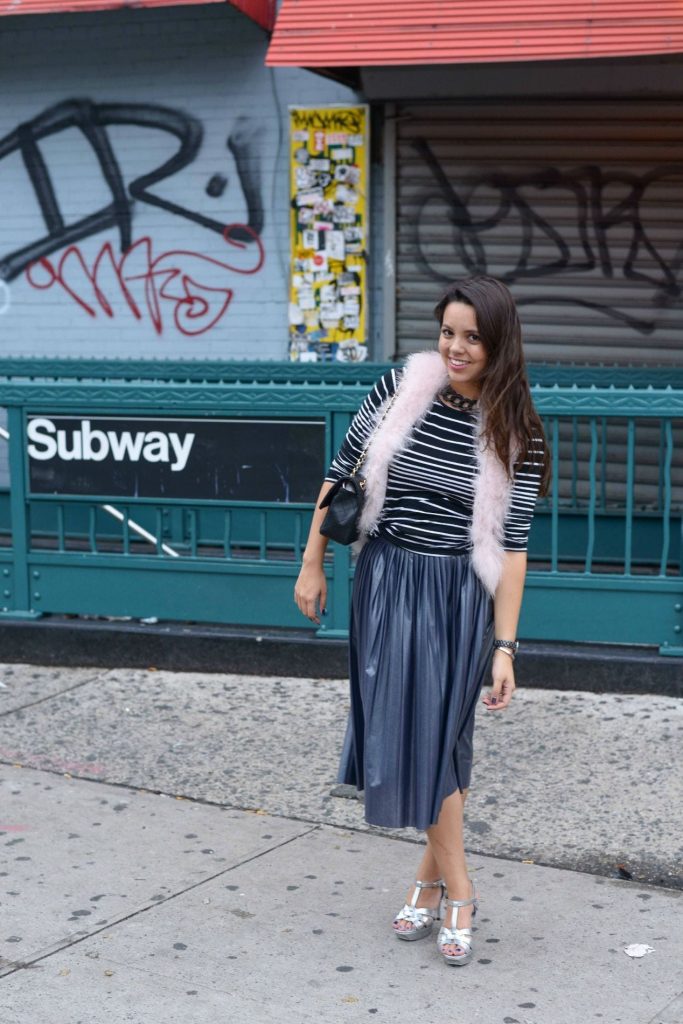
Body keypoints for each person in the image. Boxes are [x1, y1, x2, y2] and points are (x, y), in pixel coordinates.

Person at [294, 275, 550, 967]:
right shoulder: (401, 389)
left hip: (454, 593)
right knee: (397, 727)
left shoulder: (517, 431)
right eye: (447, 332)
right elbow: (343, 473)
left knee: (439, 738)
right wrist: (312, 560)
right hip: (384, 579)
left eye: (471, 336)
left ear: (499, 343)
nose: (455, 347)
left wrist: (505, 647)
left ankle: (450, 886)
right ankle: (437, 883)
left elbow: (514, 548)